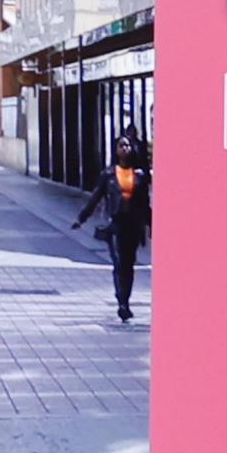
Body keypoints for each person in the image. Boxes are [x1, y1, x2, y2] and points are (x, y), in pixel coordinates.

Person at [73, 134, 151, 321]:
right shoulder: (108, 174)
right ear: (116, 150)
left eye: (127, 146)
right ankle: (121, 303)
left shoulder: (139, 175)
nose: (125, 149)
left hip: (133, 225)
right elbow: (95, 198)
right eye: (121, 146)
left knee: (128, 265)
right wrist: (81, 218)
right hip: (116, 224)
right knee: (119, 263)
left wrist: (152, 225)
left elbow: (144, 204)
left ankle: (125, 299)